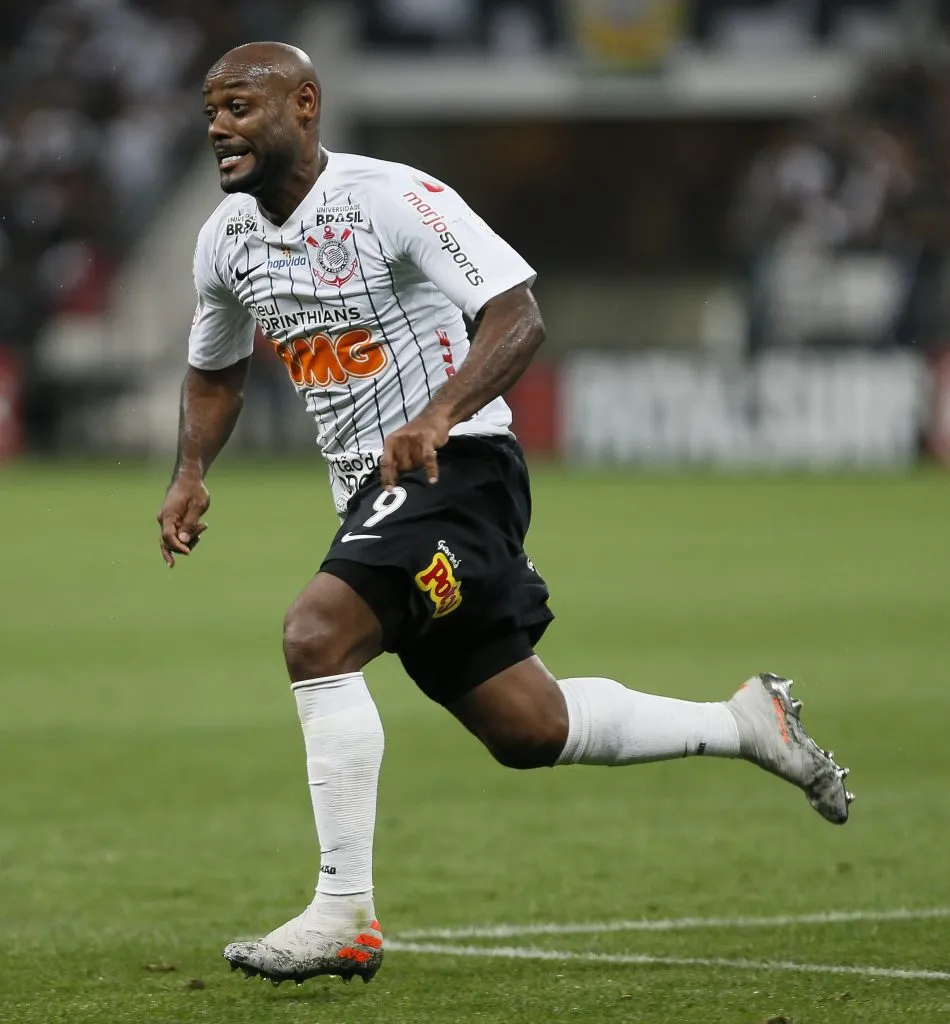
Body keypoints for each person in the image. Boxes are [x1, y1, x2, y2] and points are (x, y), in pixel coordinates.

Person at [157, 41, 854, 989]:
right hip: (377, 498)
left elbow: (517, 313)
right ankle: (745, 724)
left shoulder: (392, 198)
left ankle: (342, 914)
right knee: (528, 727)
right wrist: (190, 471)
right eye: (211, 111)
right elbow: (215, 370)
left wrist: (438, 414)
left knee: (316, 635)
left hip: (461, 471)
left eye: (239, 107)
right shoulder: (224, 241)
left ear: (305, 106)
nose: (218, 128)